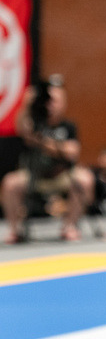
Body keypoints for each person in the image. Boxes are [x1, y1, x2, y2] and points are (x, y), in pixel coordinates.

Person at [2, 75, 94, 242]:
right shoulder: (34, 123)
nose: (51, 105)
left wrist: (42, 142)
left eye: (55, 101)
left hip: (61, 175)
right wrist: (26, 105)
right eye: (48, 100)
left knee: (85, 179)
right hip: (34, 175)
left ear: (63, 104)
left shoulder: (68, 126)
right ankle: (16, 230)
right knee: (10, 183)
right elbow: (21, 129)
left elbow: (72, 152)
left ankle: (70, 226)